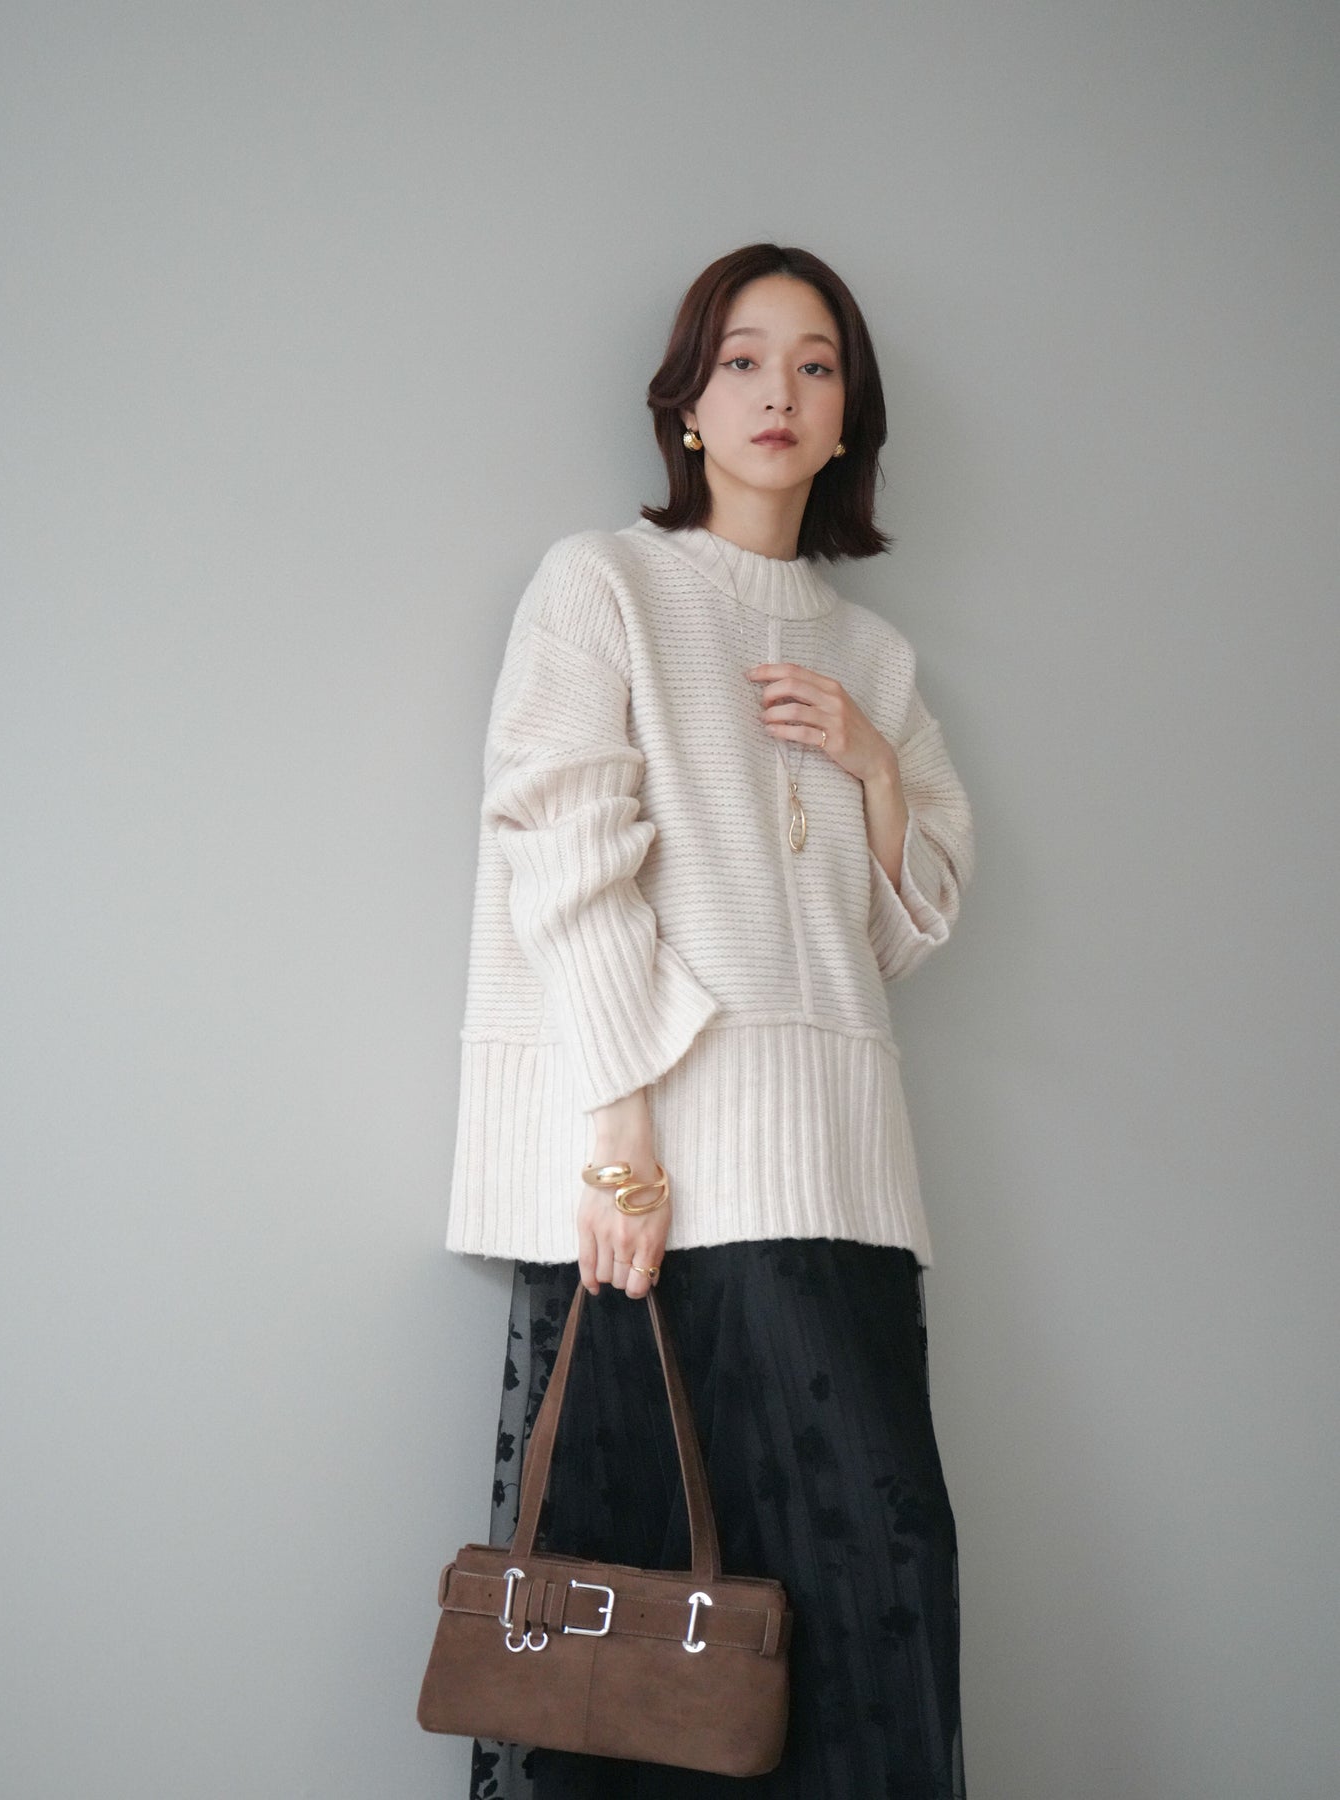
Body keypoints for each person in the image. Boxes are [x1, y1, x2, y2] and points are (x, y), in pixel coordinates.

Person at [447, 242, 976, 1799]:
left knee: (867, 1603)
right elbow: (561, 848)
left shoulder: (874, 658)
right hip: (657, 1192)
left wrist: (872, 765)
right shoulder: (602, 586)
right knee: (637, 1654)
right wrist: (619, 1144)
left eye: (814, 366)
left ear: (845, 418)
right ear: (685, 403)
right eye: (741, 360)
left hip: (843, 1190)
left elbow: (901, 931)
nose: (776, 392)